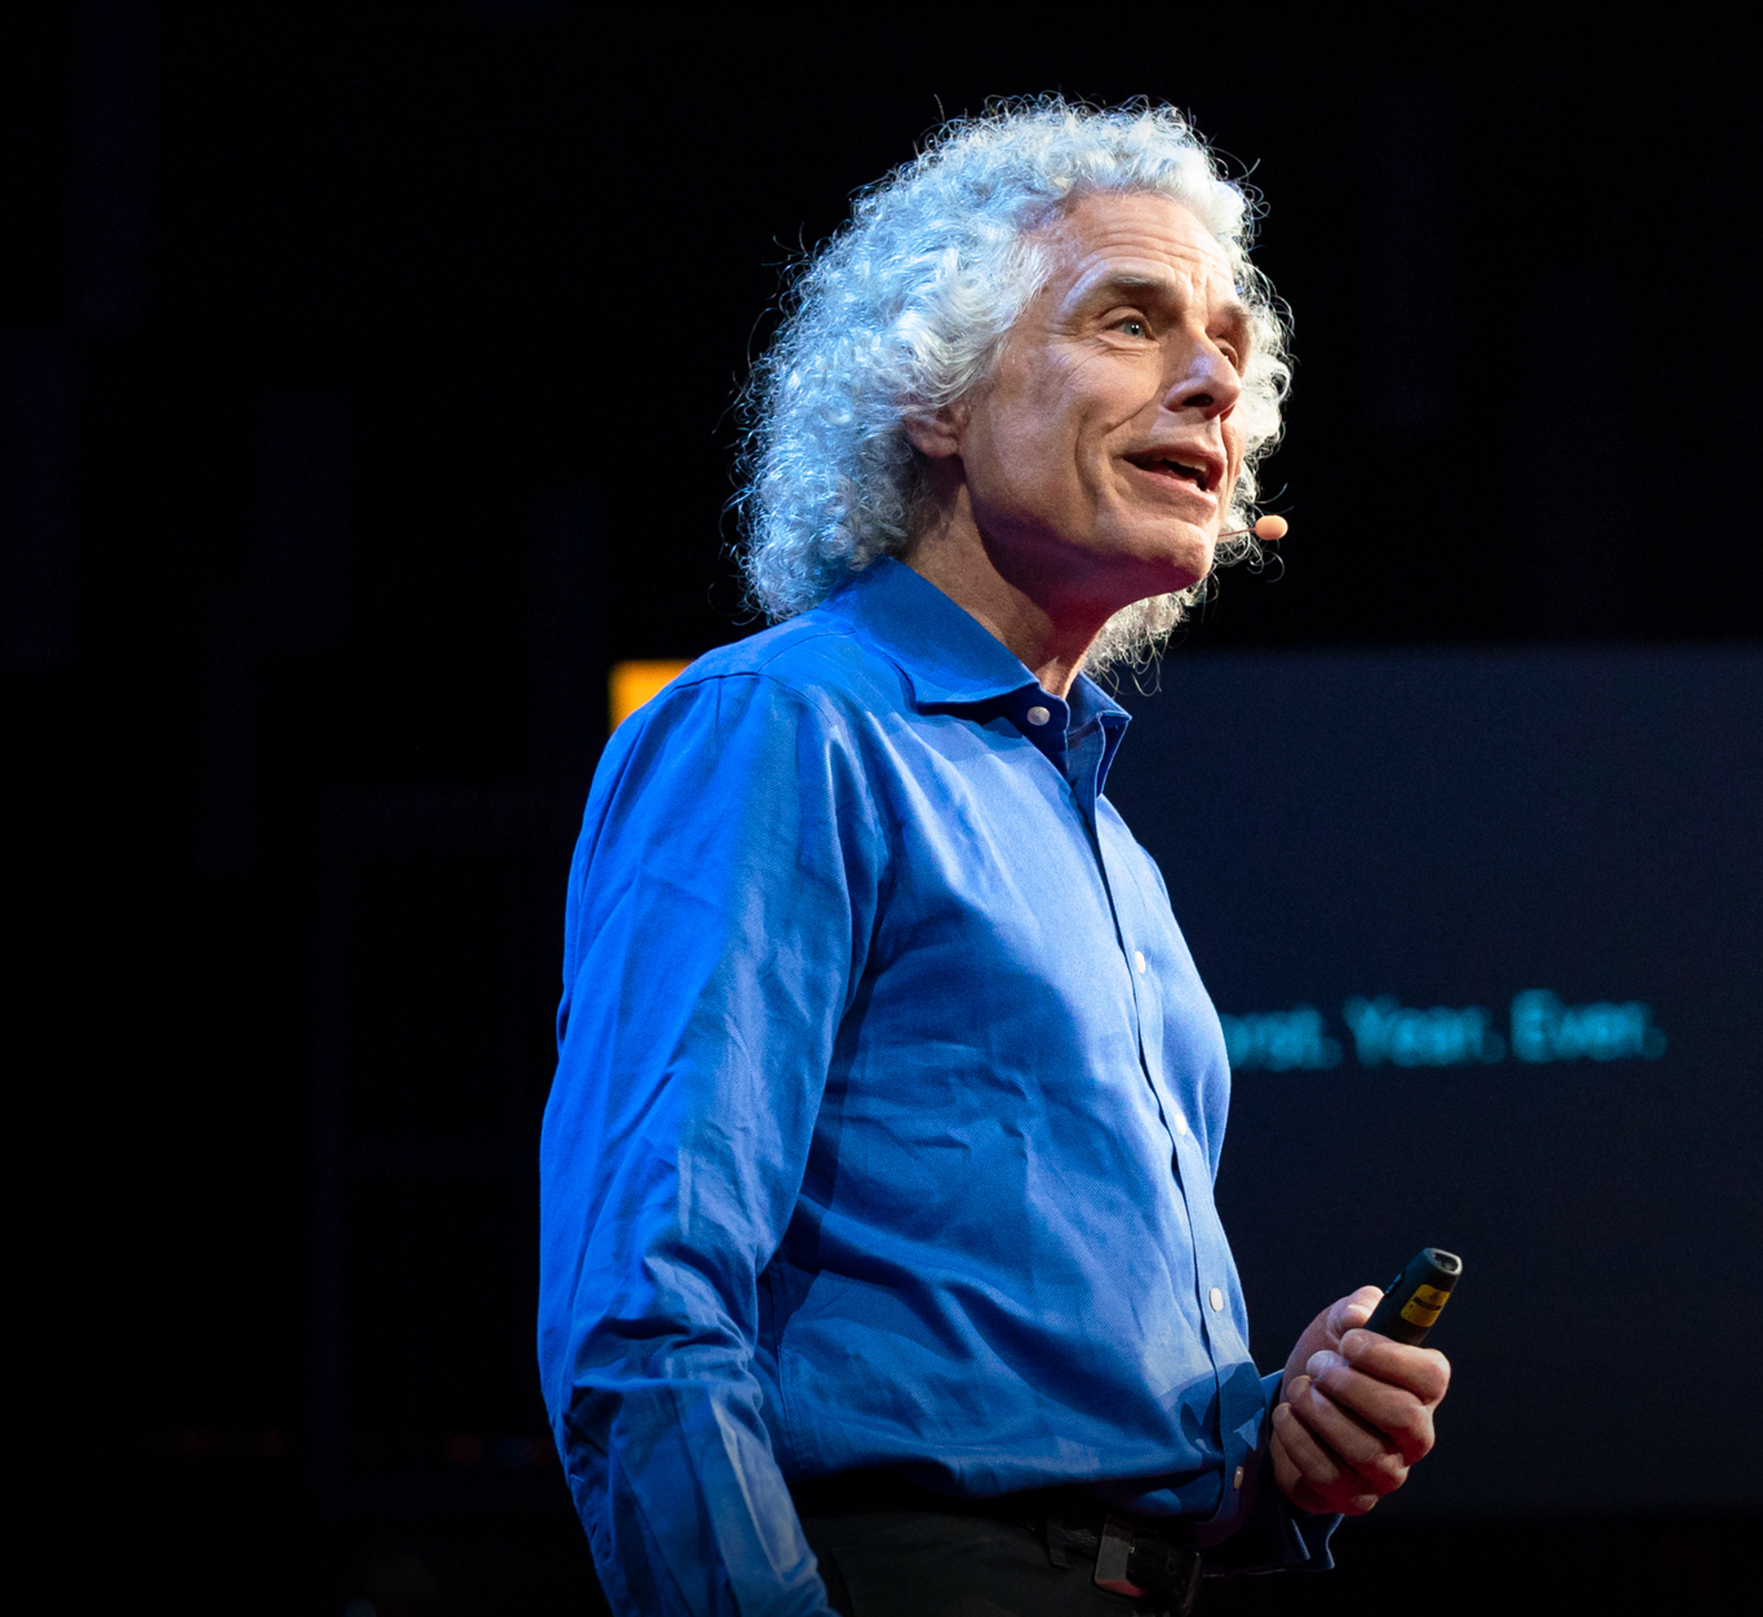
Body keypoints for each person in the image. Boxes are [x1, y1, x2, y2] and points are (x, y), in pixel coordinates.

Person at [538, 100, 1451, 1617]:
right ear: (932, 398)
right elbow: (647, 1308)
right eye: (1131, 319)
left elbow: (1032, 1401)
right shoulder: (783, 727)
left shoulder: (1098, 831)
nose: (1215, 379)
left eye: (1228, 342)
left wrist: (1263, 1435)